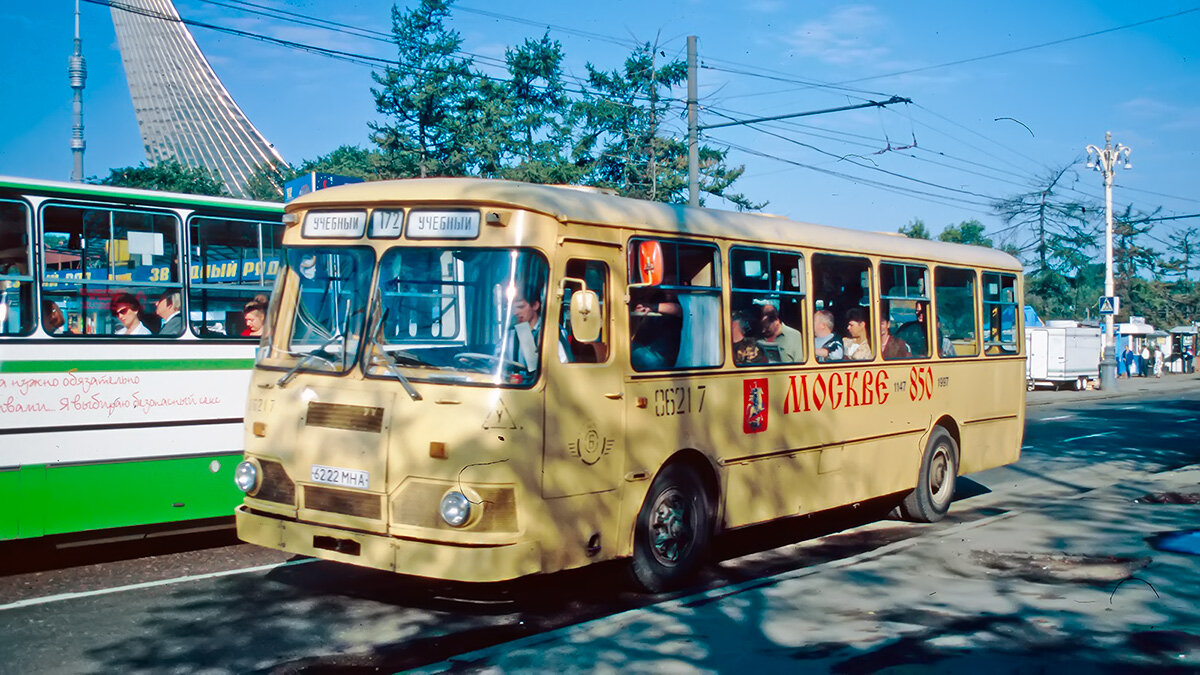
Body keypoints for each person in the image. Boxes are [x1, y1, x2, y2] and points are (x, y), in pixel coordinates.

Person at [630, 289, 681, 371]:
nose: (668, 289)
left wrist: (652, 307)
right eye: (665, 283)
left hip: (660, 358)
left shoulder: (684, 302)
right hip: (647, 349)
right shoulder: (658, 298)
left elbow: (677, 309)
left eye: (671, 283)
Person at [509, 291, 542, 371]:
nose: (515, 312)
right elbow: (495, 363)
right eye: (513, 308)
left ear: (535, 305)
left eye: (520, 307)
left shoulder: (552, 332)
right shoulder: (510, 335)